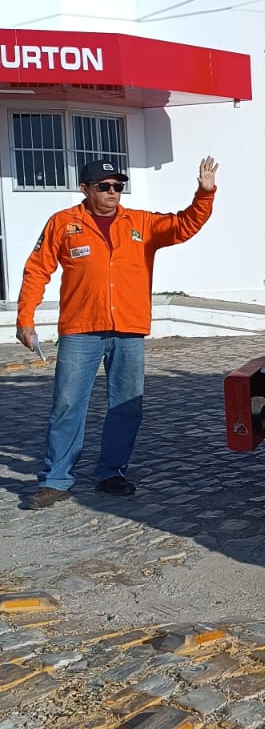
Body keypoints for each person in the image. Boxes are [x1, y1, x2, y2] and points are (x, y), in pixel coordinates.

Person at [16, 156, 219, 508]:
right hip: (80, 329)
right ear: (85, 189)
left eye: (118, 186)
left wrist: (205, 193)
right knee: (67, 404)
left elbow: (184, 225)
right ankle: (55, 480)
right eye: (104, 186)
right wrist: (25, 318)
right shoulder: (63, 223)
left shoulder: (140, 223)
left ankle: (111, 473)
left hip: (128, 328)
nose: (113, 192)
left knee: (126, 407)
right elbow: (37, 270)